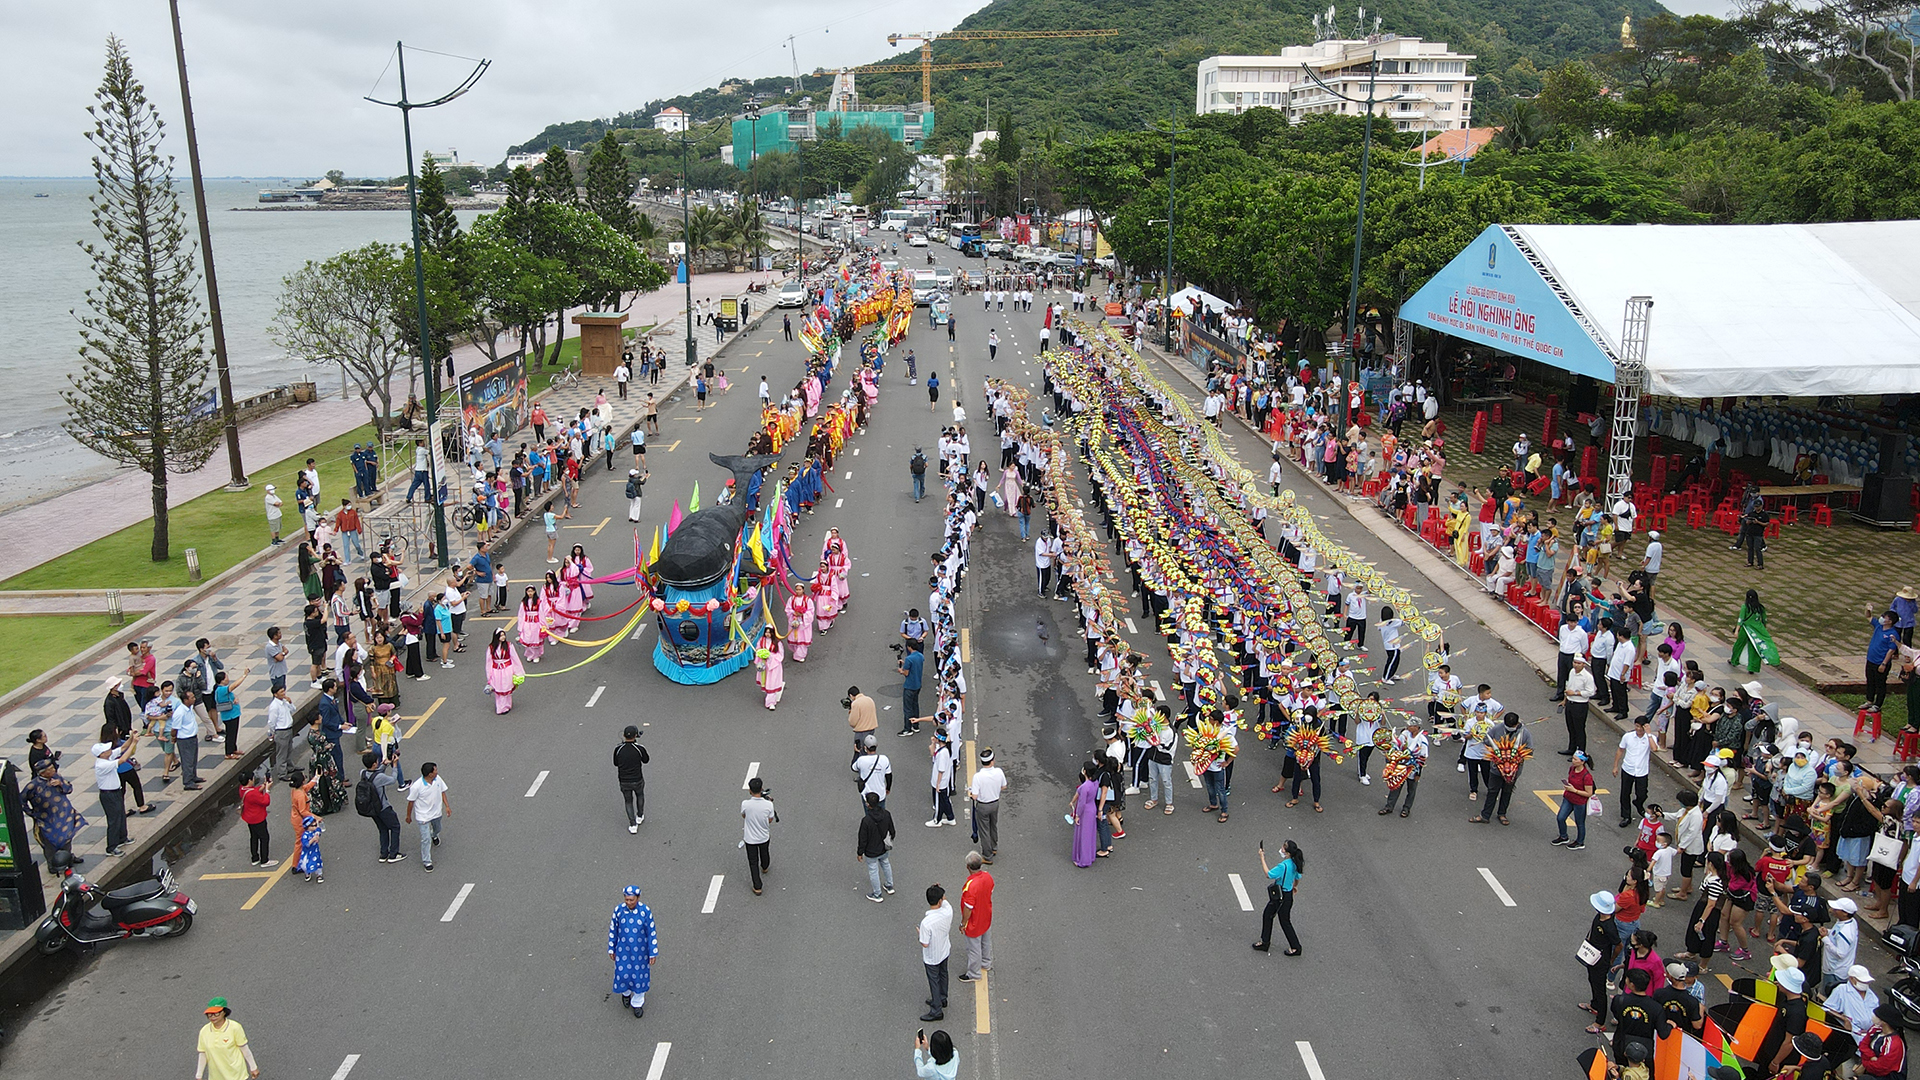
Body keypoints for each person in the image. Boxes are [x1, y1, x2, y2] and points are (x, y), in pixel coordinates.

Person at [21, 756, 86, 866]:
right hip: (47, 819)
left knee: (66, 838)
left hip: (64, 814)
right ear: (42, 773)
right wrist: (32, 813)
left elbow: (69, 788)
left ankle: (67, 858)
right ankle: (52, 863)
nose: (53, 770)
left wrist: (61, 784)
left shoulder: (57, 777)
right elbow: (21, 800)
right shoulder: (33, 785)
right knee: (49, 842)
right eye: (50, 769)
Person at [608, 885, 660, 1018]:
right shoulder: (619, 911)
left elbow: (651, 933)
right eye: (627, 900)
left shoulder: (645, 912)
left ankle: (637, 1003)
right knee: (623, 974)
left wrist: (652, 952)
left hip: (640, 953)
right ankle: (625, 994)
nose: (629, 903)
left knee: (639, 977)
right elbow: (613, 930)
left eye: (631, 900)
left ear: (638, 898)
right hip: (623, 951)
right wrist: (611, 948)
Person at [1252, 839, 1305, 955]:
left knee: (1278, 919)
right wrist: (1294, 886)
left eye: (1283, 847)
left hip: (1280, 897)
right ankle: (1267, 941)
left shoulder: (1284, 866)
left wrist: (1262, 857)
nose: (1281, 848)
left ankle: (1294, 947)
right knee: (1273, 916)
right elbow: (1298, 877)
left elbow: (1269, 874)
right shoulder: (1295, 863)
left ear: (1288, 852)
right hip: (1288, 895)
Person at [1580, 891, 1621, 1029]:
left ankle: (1600, 1021)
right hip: (1592, 954)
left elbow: (1618, 944)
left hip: (1601, 960)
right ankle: (1594, 1004)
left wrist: (1612, 959)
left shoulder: (1609, 926)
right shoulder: (1600, 917)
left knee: (1600, 989)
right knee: (1592, 980)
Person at [194, 998, 259, 1080]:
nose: (213, 1017)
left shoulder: (235, 1027)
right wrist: (199, 1075)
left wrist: (253, 1067)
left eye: (216, 1013)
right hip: (216, 1077)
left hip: (236, 1075)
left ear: (224, 1012)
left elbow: (244, 1049)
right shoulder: (204, 1031)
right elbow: (203, 1054)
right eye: (210, 1014)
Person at [918, 883, 955, 1021]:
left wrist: (919, 934)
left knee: (934, 981)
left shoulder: (926, 923)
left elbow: (925, 943)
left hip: (932, 956)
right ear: (940, 900)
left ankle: (936, 1009)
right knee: (943, 974)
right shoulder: (948, 911)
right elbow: (945, 900)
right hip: (944, 950)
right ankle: (942, 998)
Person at [406, 761, 449, 872]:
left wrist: (447, 806)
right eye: (435, 770)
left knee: (438, 828)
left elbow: (443, 792)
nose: (437, 772)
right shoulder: (417, 787)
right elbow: (411, 802)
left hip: (436, 813)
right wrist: (408, 816)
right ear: (430, 774)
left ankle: (434, 835)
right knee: (425, 839)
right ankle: (427, 861)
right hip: (423, 816)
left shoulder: (437, 779)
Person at [1614, 715, 1656, 827]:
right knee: (1625, 793)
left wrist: (1649, 734)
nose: (1638, 729)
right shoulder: (1628, 736)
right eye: (1637, 726)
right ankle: (1626, 816)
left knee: (1642, 793)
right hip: (1628, 769)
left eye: (1641, 727)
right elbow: (1620, 750)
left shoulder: (1649, 738)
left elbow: (1654, 748)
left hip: (1642, 771)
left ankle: (1638, 803)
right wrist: (1615, 766)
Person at [958, 851, 994, 981]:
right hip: (986, 915)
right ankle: (986, 963)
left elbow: (968, 908)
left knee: (974, 949)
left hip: (974, 921)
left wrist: (963, 923)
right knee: (986, 942)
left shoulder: (970, 886)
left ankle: (974, 973)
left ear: (968, 866)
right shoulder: (988, 876)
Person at [967, 746, 1006, 863]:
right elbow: (1004, 786)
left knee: (984, 830)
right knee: (993, 825)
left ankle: (987, 855)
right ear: (992, 760)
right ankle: (994, 847)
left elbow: (974, 796)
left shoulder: (978, 777)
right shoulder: (999, 772)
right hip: (995, 803)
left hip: (983, 805)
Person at [859, 791, 898, 902]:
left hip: (871, 851)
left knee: (873, 870)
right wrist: (889, 841)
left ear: (868, 804)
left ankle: (877, 894)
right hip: (884, 847)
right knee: (885, 863)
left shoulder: (866, 820)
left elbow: (863, 838)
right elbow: (892, 831)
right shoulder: (886, 814)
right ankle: (889, 886)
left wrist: (859, 852)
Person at [1554, 750, 1597, 850]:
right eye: (1573, 758)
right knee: (1560, 817)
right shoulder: (1572, 769)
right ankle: (1563, 836)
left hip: (1579, 802)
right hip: (1568, 798)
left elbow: (1588, 793)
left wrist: (1574, 790)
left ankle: (1580, 841)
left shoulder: (1587, 777)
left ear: (1582, 762)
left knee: (1580, 823)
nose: (1573, 761)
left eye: (1575, 759)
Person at [615, 725, 649, 833]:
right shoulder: (639, 748)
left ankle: (633, 824)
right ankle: (640, 815)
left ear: (624, 736)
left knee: (628, 801)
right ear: (635, 736)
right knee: (640, 795)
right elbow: (646, 760)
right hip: (637, 779)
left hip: (624, 780)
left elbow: (615, 763)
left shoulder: (618, 749)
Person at [485, 629, 525, 714]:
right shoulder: (491, 647)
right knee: (498, 689)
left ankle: (507, 705)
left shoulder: (509, 645)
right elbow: (488, 662)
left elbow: (515, 658)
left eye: (504, 635)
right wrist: (489, 675)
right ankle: (500, 707)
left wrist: (518, 672)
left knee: (506, 688)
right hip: (496, 671)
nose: (503, 637)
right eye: (501, 635)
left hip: (507, 670)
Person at [1071, 761, 1101, 867]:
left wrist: (1077, 815)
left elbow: (1081, 803)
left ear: (1085, 772)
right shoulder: (1095, 782)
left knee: (1084, 835)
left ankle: (1083, 860)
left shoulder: (1085, 787)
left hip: (1086, 811)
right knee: (1090, 834)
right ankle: (1090, 856)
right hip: (1092, 807)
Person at [295, 814, 324, 883]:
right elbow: (306, 844)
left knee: (317, 862)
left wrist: (317, 835)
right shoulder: (305, 835)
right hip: (307, 852)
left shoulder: (315, 831)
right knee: (305, 864)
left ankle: (319, 875)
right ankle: (307, 873)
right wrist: (313, 839)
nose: (315, 827)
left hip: (315, 851)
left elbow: (318, 830)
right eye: (313, 826)